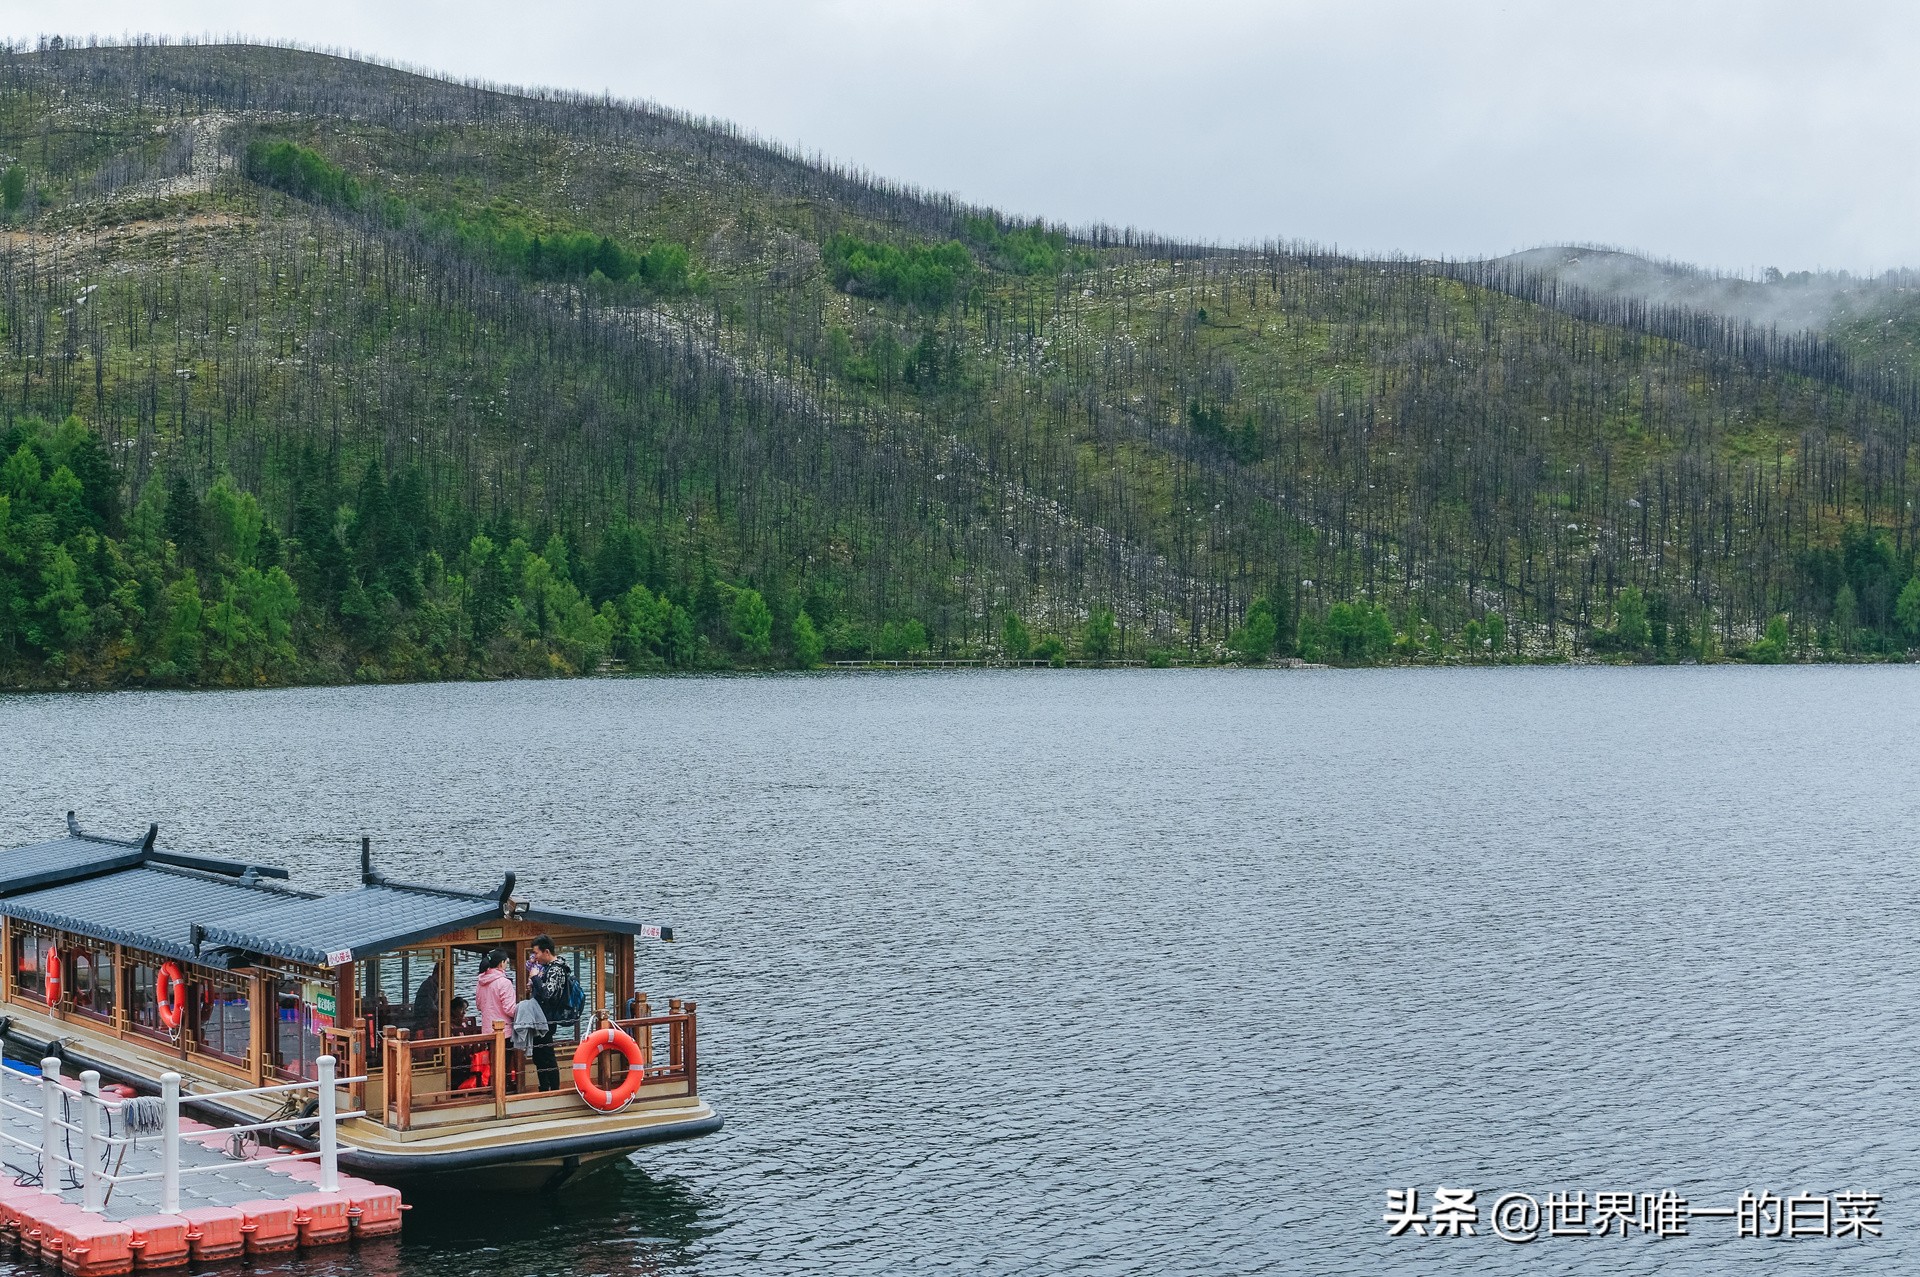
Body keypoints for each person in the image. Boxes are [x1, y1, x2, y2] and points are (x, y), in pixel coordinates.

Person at [525, 936, 575, 1092]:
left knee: (547, 1055)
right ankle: (544, 1087)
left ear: (546, 951)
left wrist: (535, 978)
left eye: (536, 953)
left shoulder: (556, 969)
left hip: (548, 1019)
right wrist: (533, 986)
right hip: (541, 1017)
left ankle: (553, 1089)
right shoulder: (548, 967)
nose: (535, 957)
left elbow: (548, 994)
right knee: (539, 1056)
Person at [473, 949, 516, 1038]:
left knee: (491, 1052)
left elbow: (479, 1006)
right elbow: (510, 1009)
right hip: (504, 1030)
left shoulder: (480, 982)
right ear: (501, 963)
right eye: (506, 962)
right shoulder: (504, 982)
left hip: (487, 1029)